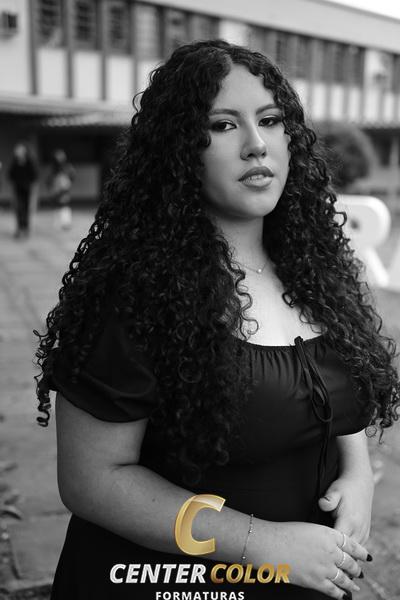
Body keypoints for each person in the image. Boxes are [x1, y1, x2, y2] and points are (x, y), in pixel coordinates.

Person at [34, 40, 400, 599]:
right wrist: (263, 544)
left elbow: (336, 393)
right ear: (180, 148)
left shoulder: (316, 269)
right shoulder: (134, 291)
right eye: (224, 125)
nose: (257, 144)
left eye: (270, 120)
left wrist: (357, 476)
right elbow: (91, 481)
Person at [7, 142, 39, 238]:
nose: (17, 152)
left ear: (24, 151)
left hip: (27, 189)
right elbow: (10, 174)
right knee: (18, 209)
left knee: (26, 209)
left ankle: (26, 228)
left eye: (19, 150)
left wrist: (28, 183)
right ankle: (20, 228)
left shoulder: (29, 162)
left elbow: (34, 175)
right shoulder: (15, 162)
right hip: (17, 189)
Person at [47, 149, 75, 230]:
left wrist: (67, 182)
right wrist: (51, 187)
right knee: (55, 205)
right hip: (55, 189)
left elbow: (72, 175)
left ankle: (66, 222)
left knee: (64, 204)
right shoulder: (53, 168)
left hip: (64, 189)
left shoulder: (68, 166)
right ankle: (57, 222)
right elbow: (49, 179)